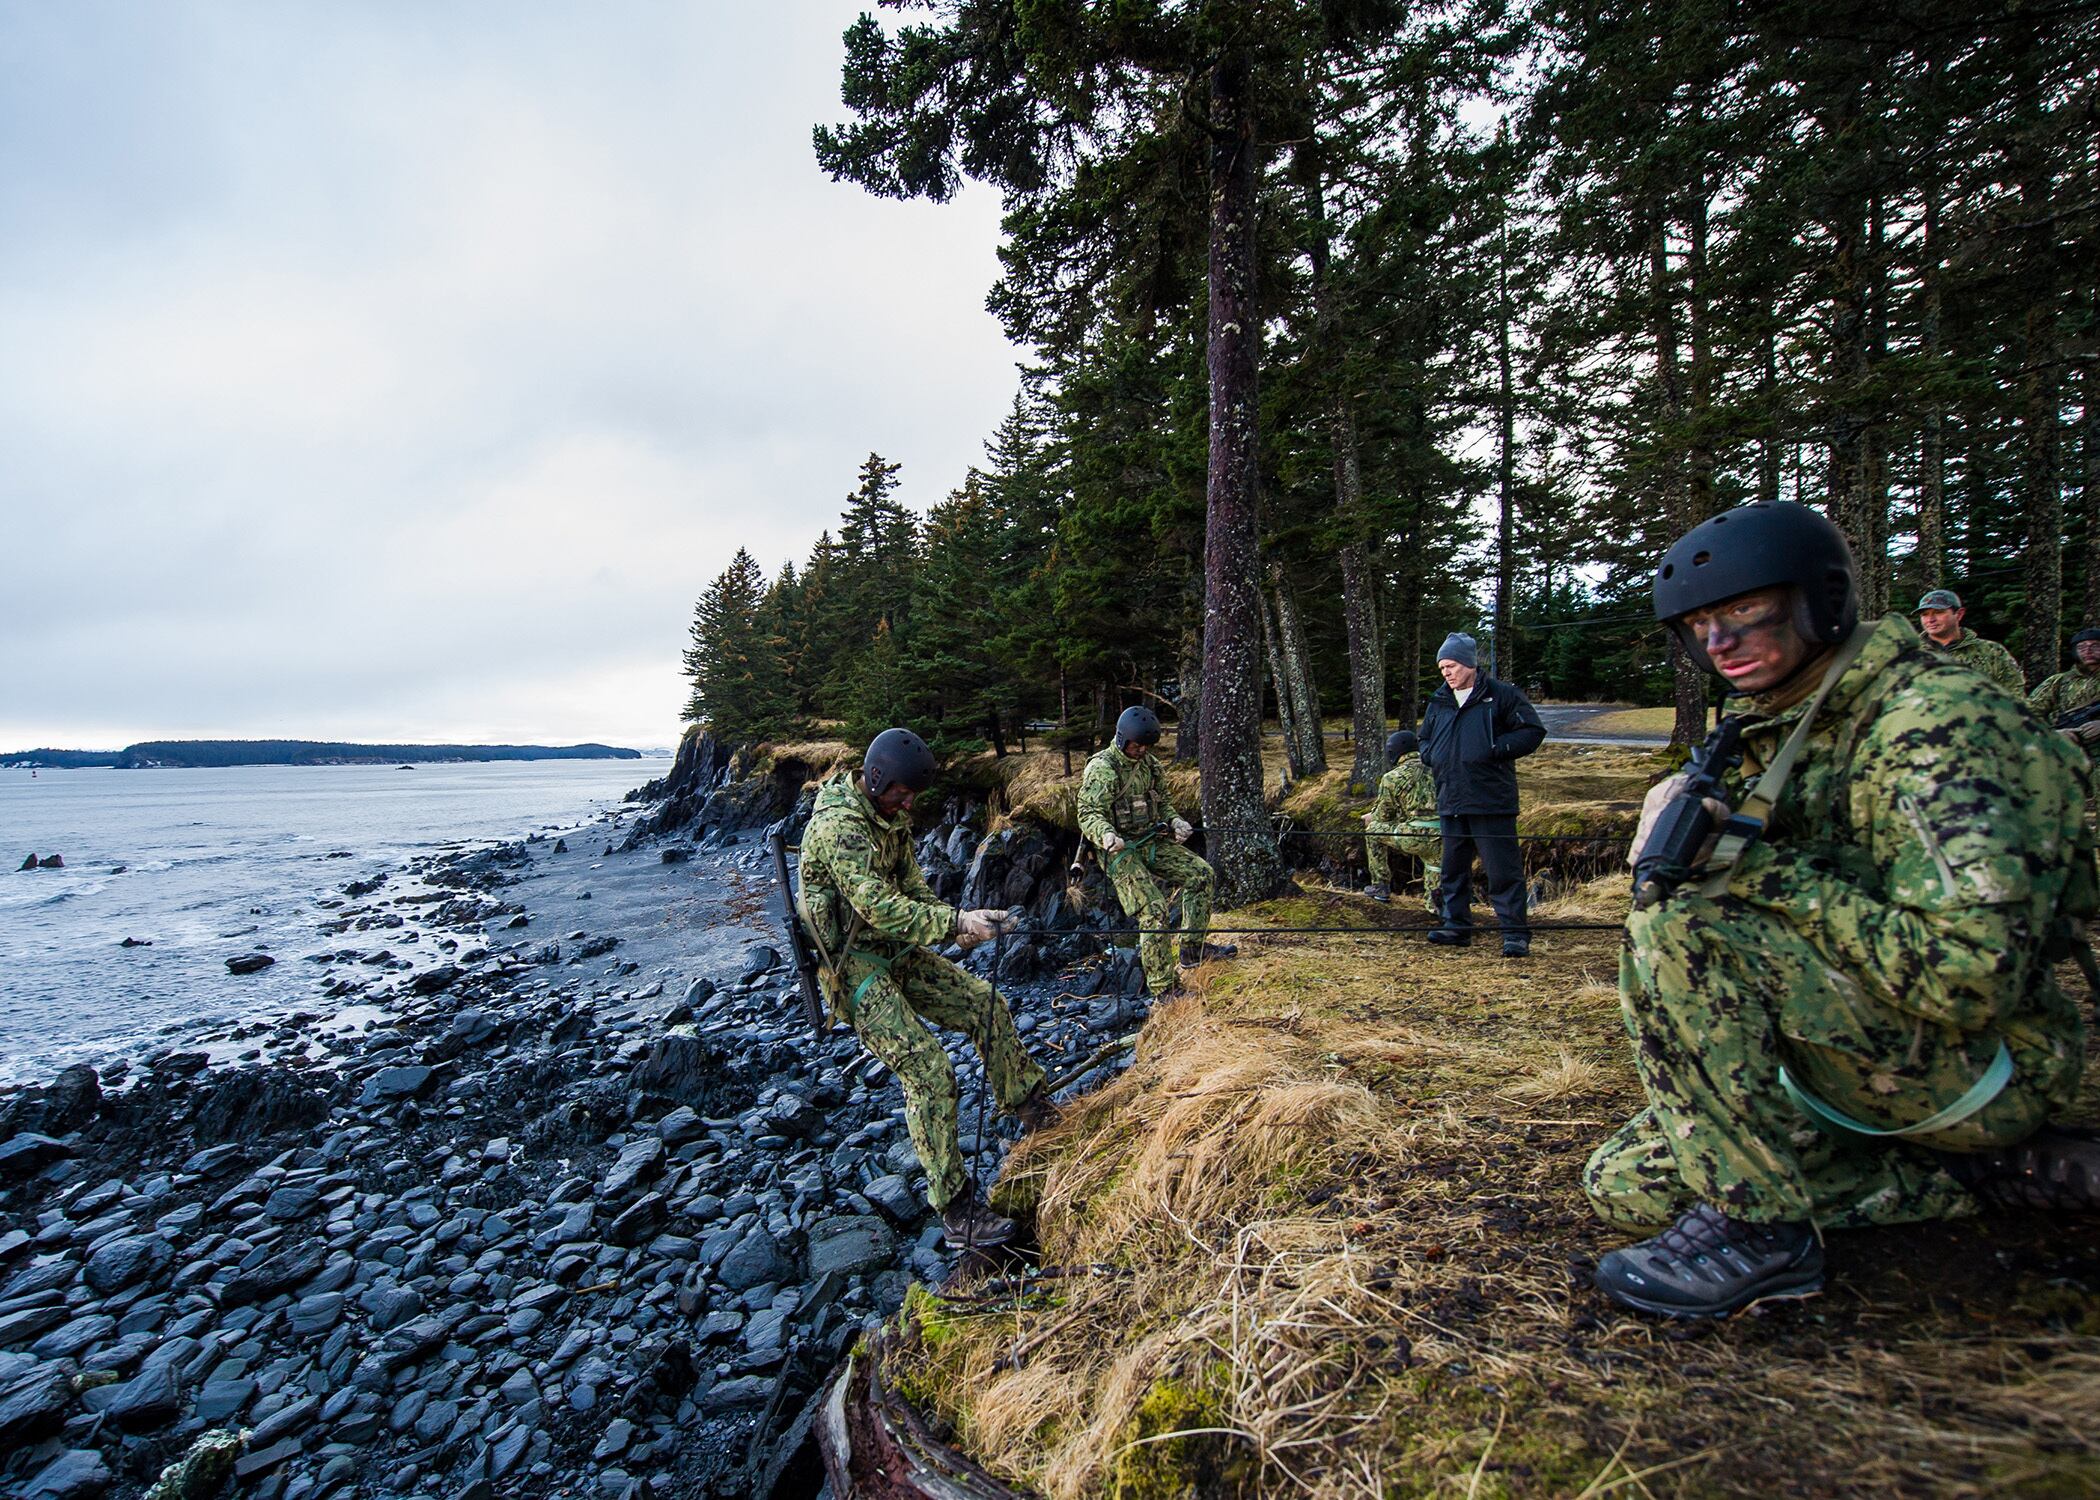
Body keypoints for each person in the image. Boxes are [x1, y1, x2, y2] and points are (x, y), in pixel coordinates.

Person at [1585, 500, 2100, 1321]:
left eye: (1745, 613)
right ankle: (1957, 1176)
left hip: (1975, 1061)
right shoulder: (1791, 719)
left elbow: (1969, 981)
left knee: (1677, 926)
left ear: (1818, 602)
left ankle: (1764, 1234)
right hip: (1853, 1049)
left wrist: (1750, 868)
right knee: (1623, 1182)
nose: (1720, 644)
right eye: (1700, 625)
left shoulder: (1935, 725)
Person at [797, 727, 1061, 1249]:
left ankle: (1031, 1107)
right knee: (929, 1070)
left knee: (987, 1005)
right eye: (903, 792)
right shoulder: (839, 828)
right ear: (876, 779)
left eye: (913, 794)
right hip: (855, 968)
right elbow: (876, 905)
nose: (910, 802)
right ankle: (957, 1211)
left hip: (896, 949)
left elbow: (912, 888)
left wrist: (957, 925)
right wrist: (952, 921)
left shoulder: (888, 816)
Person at [1078, 706, 1236, 998]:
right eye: (1137, 745)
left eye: (1146, 746)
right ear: (1123, 739)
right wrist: (1106, 834)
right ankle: (1164, 989)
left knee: (1202, 874)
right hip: (1119, 851)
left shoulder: (1152, 766)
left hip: (1151, 840)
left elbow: (1163, 804)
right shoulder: (1103, 768)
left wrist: (1176, 821)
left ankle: (1192, 949)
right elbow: (1088, 813)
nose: (1141, 751)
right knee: (1153, 910)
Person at [1416, 632, 1546, 956]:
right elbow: (1424, 739)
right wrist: (1432, 755)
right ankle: (1456, 926)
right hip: (1451, 797)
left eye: (1452, 665)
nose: (1446, 672)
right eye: (1442, 667)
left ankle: (1515, 934)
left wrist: (1496, 748)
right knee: (1453, 869)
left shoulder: (1501, 695)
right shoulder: (1439, 700)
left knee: (1503, 870)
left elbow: (1532, 731)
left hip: (1491, 799)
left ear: (1470, 664)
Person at [1363, 729, 1440, 910]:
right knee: (1435, 868)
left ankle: (1380, 886)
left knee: (1373, 831)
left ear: (1393, 753)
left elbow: (1383, 815)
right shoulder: (1438, 768)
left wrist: (1370, 818)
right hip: (1447, 835)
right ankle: (1436, 906)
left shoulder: (1392, 777)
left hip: (1413, 836)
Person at [1914, 589, 2023, 694]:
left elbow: (2015, 697)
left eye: (1938, 612)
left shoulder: (1991, 652)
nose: (1930, 619)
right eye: (1924, 614)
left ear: (1959, 614)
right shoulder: (1908, 654)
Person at [2030, 626, 2100, 732]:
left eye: (2095, 646)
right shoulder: (2057, 682)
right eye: (2081, 648)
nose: (2088, 651)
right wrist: (2056, 734)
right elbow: (2027, 713)